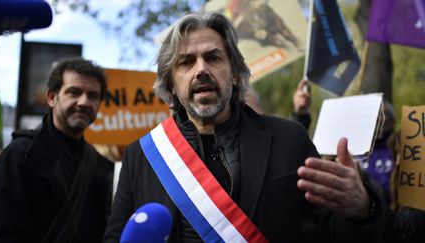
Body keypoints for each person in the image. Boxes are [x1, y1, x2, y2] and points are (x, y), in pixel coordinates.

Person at [104, 12, 386, 242]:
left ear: (236, 76)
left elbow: (330, 233)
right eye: (186, 62)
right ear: (171, 86)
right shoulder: (141, 156)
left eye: (213, 58)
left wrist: (363, 208)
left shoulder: (289, 139)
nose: (201, 69)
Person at [0, 58, 114, 242]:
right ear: (51, 97)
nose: (84, 101)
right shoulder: (20, 155)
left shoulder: (101, 166)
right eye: (74, 92)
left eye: (93, 95)